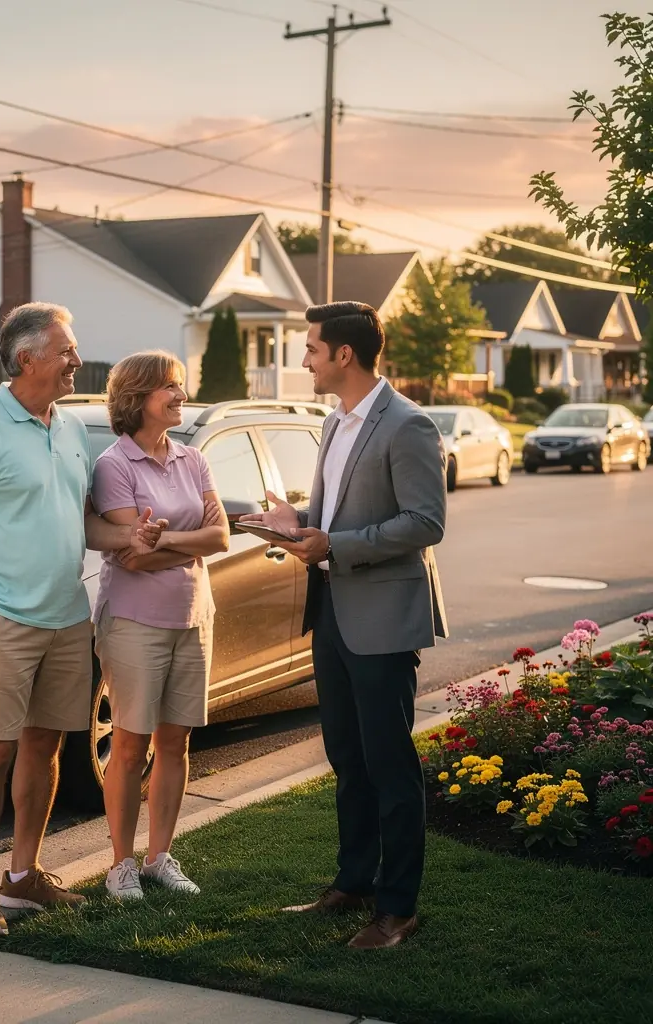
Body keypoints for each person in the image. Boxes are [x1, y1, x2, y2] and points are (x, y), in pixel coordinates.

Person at [0, 303, 164, 940]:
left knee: (44, 745)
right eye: (66, 350)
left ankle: (22, 876)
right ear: (26, 357)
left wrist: (126, 535)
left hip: (67, 617)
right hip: (3, 618)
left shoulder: (70, 430)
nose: (76, 360)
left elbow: (78, 522)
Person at [242, 301, 447, 950]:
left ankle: (397, 908)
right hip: (331, 611)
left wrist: (334, 543)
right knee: (347, 758)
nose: (302, 359)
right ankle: (353, 882)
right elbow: (335, 512)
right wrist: (295, 521)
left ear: (344, 356)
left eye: (309, 349)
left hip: (383, 617)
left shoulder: (407, 426)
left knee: (390, 766)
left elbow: (425, 523)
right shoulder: (335, 423)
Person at [90, 351, 229, 901]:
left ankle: (158, 858)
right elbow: (131, 557)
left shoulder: (194, 460)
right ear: (136, 397)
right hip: (133, 622)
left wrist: (165, 539)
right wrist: (173, 544)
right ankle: (120, 864)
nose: (180, 394)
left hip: (194, 617)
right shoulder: (114, 465)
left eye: (180, 384)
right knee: (129, 745)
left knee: (176, 743)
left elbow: (219, 539)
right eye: (169, 387)